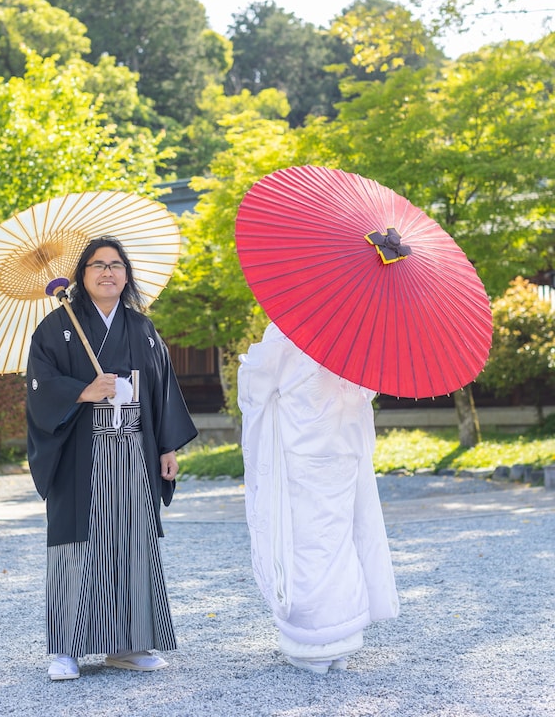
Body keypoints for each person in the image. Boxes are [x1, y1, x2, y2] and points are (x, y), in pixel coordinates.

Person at [26, 236, 198, 681]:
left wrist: (166, 446)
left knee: (131, 543)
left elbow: (161, 390)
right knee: (76, 547)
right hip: (79, 453)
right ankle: (66, 649)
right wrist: (83, 390)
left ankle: (129, 644)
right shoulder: (55, 328)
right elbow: (39, 388)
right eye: (98, 265)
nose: (108, 272)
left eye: (116, 265)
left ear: (126, 274)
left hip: (134, 450)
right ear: (82, 276)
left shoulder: (141, 328)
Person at [238, 321, 399, 675]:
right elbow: (367, 389)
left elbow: (258, 385)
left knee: (305, 540)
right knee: (336, 539)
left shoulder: (290, 325)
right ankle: (340, 641)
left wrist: (248, 368)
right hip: (342, 447)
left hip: (301, 447)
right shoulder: (363, 330)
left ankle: (311, 641)